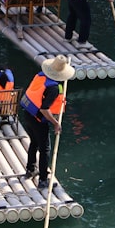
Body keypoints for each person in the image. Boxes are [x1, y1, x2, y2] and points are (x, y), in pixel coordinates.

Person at [19, 55, 73, 190]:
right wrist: (55, 123)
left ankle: (30, 169)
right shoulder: (54, 88)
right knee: (45, 149)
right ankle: (43, 180)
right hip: (38, 118)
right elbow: (44, 109)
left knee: (34, 142)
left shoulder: (40, 76)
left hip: (28, 113)